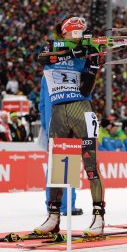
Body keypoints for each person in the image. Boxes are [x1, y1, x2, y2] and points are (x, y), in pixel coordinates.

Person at [34, 16, 105, 236]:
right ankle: (53, 217)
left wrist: (93, 65)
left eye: (81, 33)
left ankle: (98, 217)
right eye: (75, 33)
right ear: (65, 34)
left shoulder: (86, 52)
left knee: (90, 163)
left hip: (80, 108)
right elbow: (42, 58)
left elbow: (85, 90)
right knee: (58, 167)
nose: (78, 37)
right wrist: (73, 52)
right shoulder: (52, 46)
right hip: (58, 111)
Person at [39, 70, 82, 217]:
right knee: (68, 162)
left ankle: (55, 205)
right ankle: (65, 206)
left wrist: (46, 127)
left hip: (53, 124)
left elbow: (42, 106)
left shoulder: (47, 74)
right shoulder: (76, 70)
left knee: (58, 165)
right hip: (69, 123)